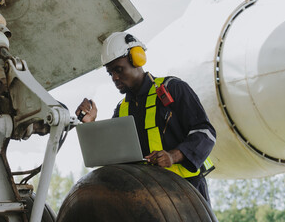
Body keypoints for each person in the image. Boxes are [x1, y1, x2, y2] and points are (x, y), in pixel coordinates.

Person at [75, 32, 215, 201]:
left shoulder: (174, 88)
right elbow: (112, 156)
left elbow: (205, 133)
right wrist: (90, 124)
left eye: (118, 70)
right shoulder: (122, 109)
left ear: (137, 59)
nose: (115, 77)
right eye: (110, 73)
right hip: (148, 198)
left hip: (187, 191)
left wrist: (173, 156)